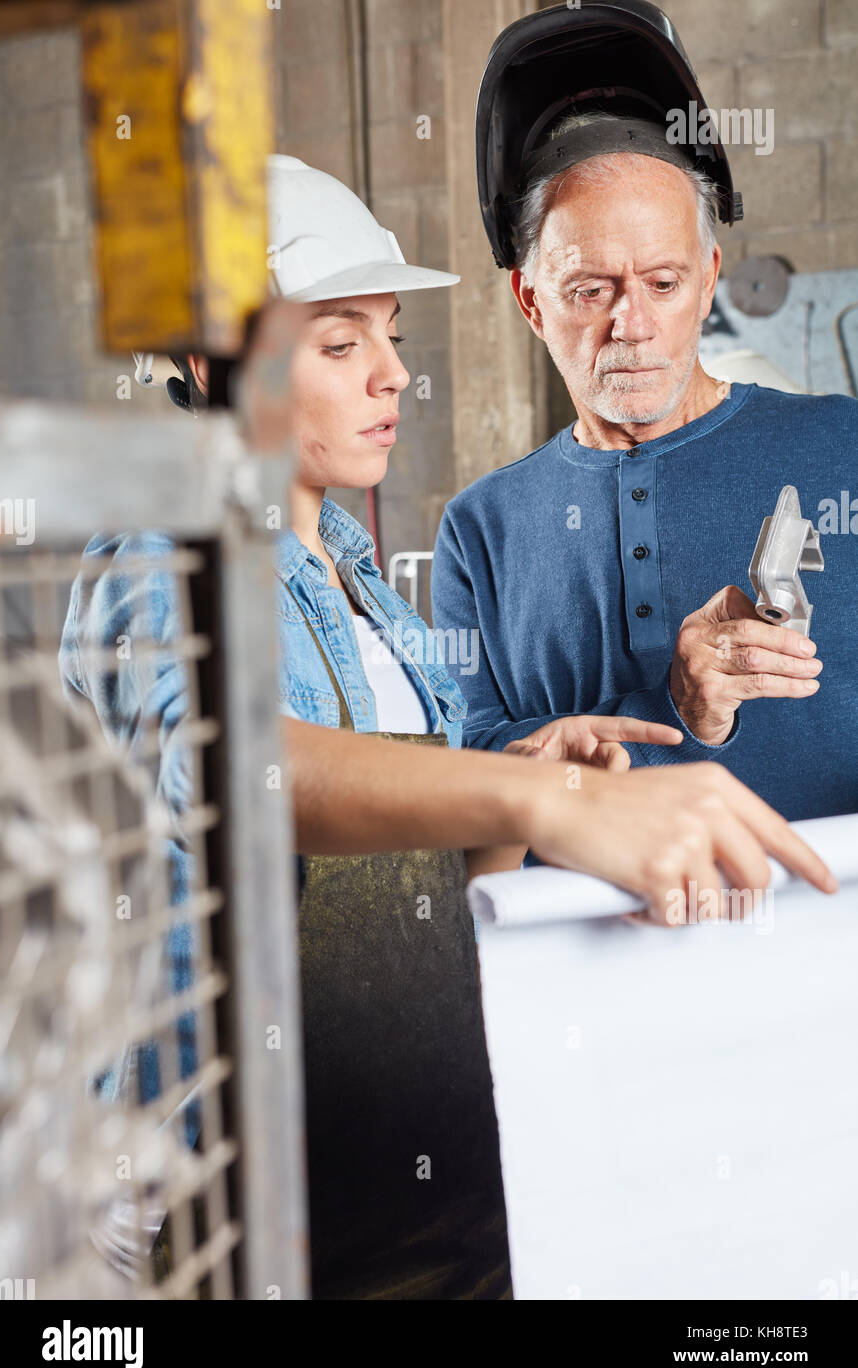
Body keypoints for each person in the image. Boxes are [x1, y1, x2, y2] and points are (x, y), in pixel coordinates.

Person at [60, 153, 837, 1299]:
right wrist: (528, 795)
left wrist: (530, 772)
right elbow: (228, 766)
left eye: (391, 340)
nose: (389, 378)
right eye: (339, 343)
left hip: (418, 1166)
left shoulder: (369, 585)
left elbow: (423, 879)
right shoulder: (162, 548)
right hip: (243, 1197)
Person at [431, 5, 858, 827]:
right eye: (591, 291)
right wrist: (671, 709)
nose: (631, 324)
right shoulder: (480, 531)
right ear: (530, 302)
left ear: (708, 278)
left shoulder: (841, 447)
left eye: (662, 283)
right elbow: (466, 773)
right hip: (581, 944)